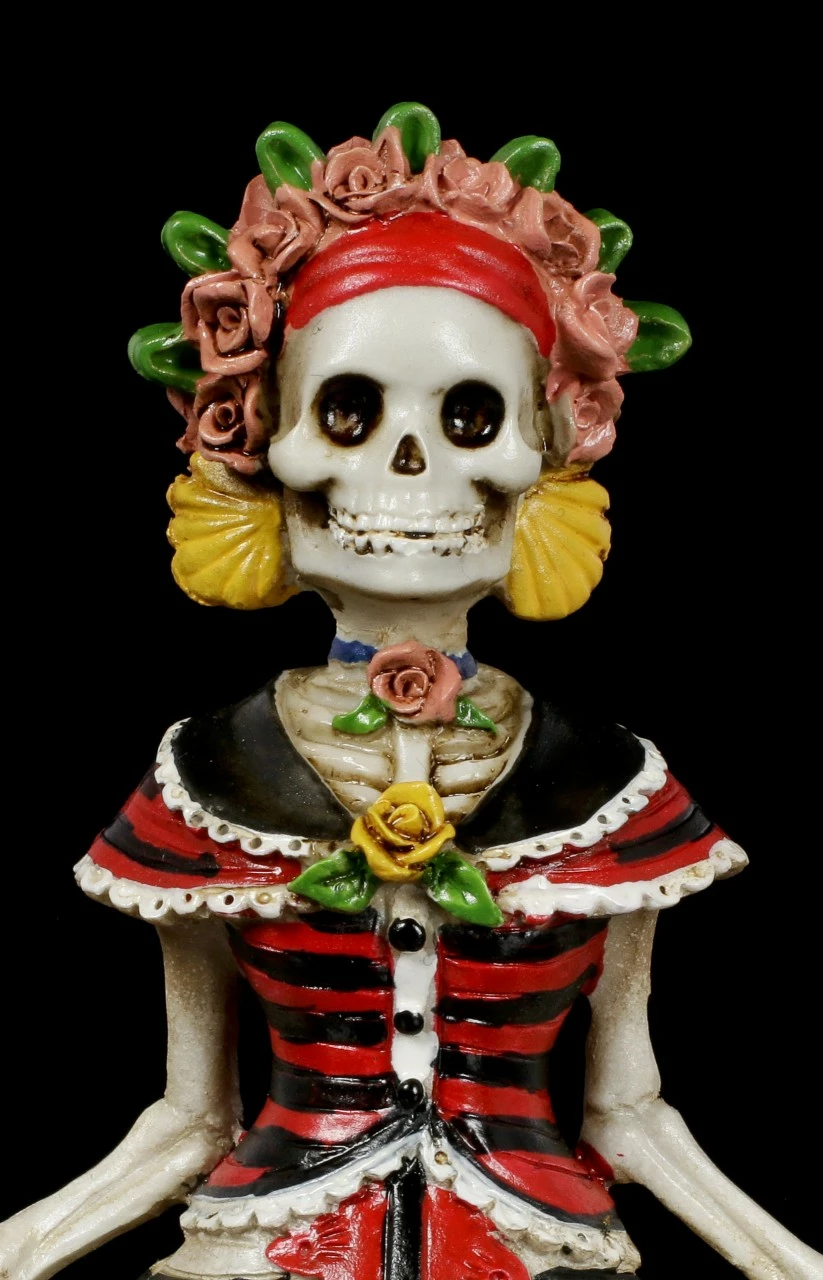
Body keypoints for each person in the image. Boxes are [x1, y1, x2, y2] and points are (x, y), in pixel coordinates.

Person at [2, 105, 820, 1280]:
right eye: (345, 413)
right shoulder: (206, 779)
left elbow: (627, 1111)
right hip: (269, 1245)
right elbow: (190, 1116)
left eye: (471, 420)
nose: (409, 464)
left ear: (546, 454)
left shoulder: (607, 786)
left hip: (536, 1240)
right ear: (259, 446)